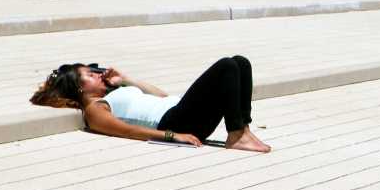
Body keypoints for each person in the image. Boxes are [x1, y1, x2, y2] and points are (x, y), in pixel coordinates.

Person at [31, 57, 270, 151]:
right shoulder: (95, 108)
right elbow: (123, 130)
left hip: (180, 113)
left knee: (240, 63)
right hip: (173, 123)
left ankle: (243, 131)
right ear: (79, 88)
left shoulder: (118, 90)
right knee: (227, 66)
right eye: (89, 75)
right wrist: (170, 135)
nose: (97, 74)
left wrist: (126, 80)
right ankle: (237, 134)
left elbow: (162, 96)